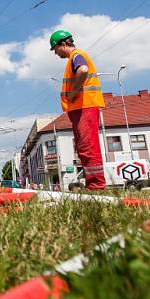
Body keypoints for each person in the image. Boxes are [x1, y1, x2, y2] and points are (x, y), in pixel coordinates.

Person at [50, 30, 106, 190]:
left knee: (88, 146)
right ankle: (93, 184)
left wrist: (73, 92)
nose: (55, 53)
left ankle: (96, 185)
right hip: (82, 107)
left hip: (85, 106)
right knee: (84, 147)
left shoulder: (76, 55)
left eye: (55, 49)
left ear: (63, 44)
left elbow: (83, 70)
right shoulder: (74, 57)